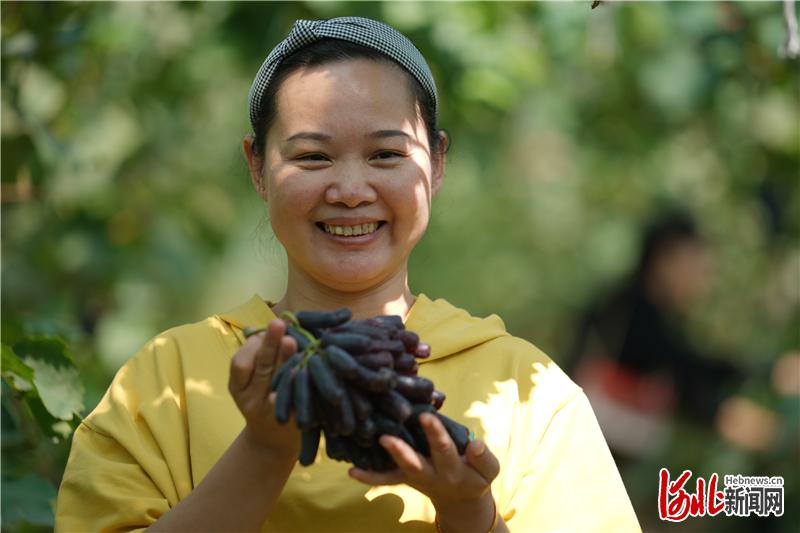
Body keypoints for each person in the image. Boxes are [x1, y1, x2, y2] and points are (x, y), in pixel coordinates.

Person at [55, 17, 640, 533]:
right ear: (257, 168)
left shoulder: (529, 393)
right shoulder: (166, 383)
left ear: (436, 163)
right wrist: (265, 447)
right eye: (313, 157)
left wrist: (469, 514)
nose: (352, 191)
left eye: (386, 155)